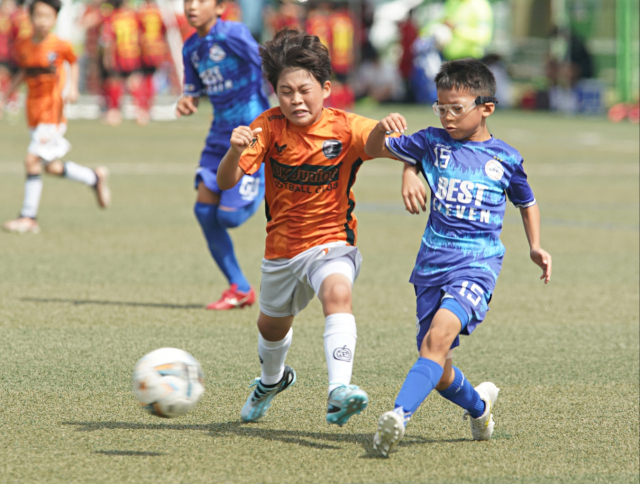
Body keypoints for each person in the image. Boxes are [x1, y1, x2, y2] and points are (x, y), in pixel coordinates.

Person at [364, 58, 552, 456]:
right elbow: (374, 149)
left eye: (456, 108)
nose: (447, 117)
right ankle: (480, 408)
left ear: (486, 107)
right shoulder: (431, 142)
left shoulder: (505, 158)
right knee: (437, 365)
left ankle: (398, 416)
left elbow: (527, 202)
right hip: (431, 265)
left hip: (477, 266)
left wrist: (535, 245)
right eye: (441, 107)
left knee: (437, 338)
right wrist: (387, 136)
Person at [216, 28, 385, 425]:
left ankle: (338, 390)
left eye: (304, 90)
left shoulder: (345, 126)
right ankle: (271, 381)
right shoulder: (269, 127)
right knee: (271, 327)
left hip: (332, 242)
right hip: (282, 250)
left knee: (338, 292)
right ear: (275, 93)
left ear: (325, 88)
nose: (296, 100)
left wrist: (406, 163)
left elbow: (383, 144)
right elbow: (226, 182)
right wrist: (234, 150)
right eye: (286, 91)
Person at [175, 0, 268, 310]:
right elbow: (194, 90)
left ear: (219, 8)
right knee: (203, 212)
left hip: (251, 133)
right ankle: (239, 287)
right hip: (219, 138)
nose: (192, 7)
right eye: (188, 1)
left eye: (201, 1)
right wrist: (187, 101)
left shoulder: (233, 34)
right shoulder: (190, 48)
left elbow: (266, 63)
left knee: (228, 217)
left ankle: (265, 179)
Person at [0, 0, 110, 234]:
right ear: (30, 17)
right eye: (38, 15)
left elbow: (73, 61)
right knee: (50, 167)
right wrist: (7, 95)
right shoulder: (24, 45)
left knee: (31, 160)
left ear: (55, 19)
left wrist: (71, 87)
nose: (42, 21)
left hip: (53, 110)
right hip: (33, 111)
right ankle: (94, 178)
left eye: (48, 16)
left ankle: (28, 217)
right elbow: (24, 71)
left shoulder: (59, 45)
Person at [99, 0, 144, 126]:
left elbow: (108, 40)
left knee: (115, 82)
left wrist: (107, 58)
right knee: (133, 82)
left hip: (118, 55)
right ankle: (140, 112)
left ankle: (114, 112)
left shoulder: (112, 17)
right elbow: (140, 35)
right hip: (132, 54)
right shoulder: (133, 16)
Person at [137, 0, 167, 124]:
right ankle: (149, 108)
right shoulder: (159, 12)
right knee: (150, 79)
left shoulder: (141, 11)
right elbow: (164, 30)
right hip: (156, 49)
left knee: (142, 79)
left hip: (144, 49)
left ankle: (143, 109)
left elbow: (138, 30)